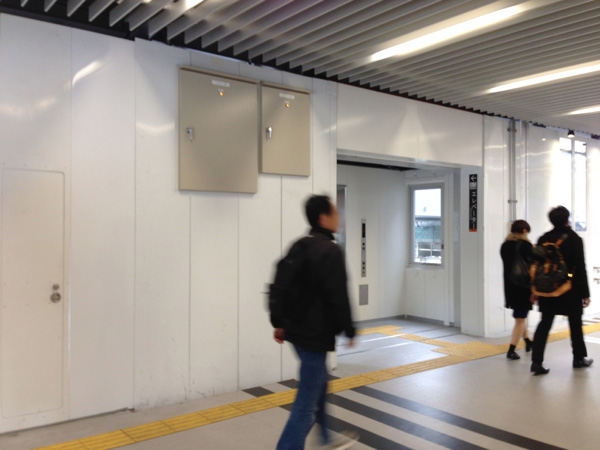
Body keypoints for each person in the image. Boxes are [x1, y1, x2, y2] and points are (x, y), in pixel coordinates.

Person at [271, 195, 357, 450]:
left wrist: (279, 322)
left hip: (295, 334)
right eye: (334, 213)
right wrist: (349, 330)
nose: (338, 217)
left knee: (319, 384)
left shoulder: (298, 246)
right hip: (314, 336)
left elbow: (281, 286)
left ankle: (328, 439)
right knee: (306, 405)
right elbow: (338, 295)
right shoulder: (330, 251)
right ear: (323, 218)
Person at [530, 206, 592, 375]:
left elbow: (536, 266)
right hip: (569, 289)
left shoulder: (543, 238)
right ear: (567, 220)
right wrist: (585, 293)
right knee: (575, 323)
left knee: (544, 323)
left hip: (547, 289)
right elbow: (580, 267)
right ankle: (579, 358)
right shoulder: (574, 239)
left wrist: (534, 290)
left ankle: (536, 361)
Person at [500, 220, 534, 360]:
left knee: (520, 315)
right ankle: (511, 350)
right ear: (524, 230)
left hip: (510, 286)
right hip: (523, 286)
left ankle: (527, 341)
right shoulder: (526, 245)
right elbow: (532, 265)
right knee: (520, 318)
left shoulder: (505, 245)